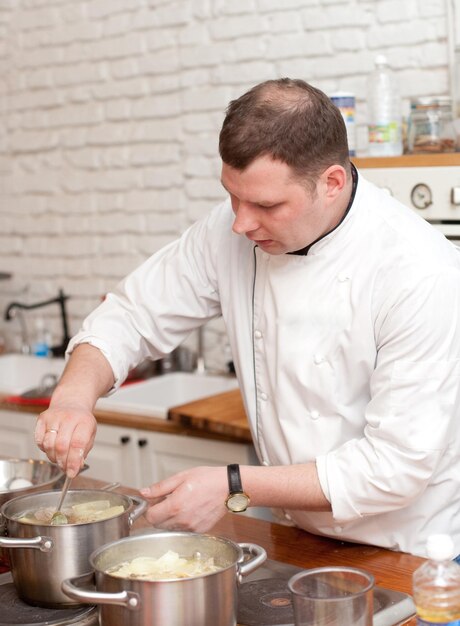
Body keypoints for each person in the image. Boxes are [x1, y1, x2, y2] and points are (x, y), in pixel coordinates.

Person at [35, 78, 460, 558]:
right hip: (298, 537)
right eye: (232, 196)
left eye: (266, 205)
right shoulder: (230, 230)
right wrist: (72, 397)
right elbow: (133, 314)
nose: (241, 222)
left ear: (332, 182)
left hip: (414, 551)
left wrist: (233, 483)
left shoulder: (420, 272)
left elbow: (393, 467)